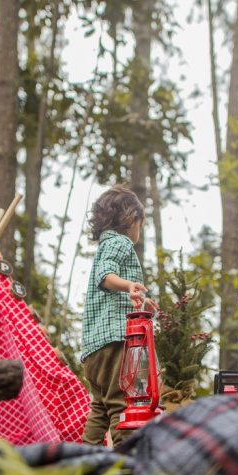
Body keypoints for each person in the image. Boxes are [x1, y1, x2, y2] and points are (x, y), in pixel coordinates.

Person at [80, 184, 154, 446]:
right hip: (114, 342)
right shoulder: (121, 243)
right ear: (131, 218)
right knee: (121, 405)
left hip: (93, 349)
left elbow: (110, 287)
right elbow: (106, 277)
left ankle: (80, 464)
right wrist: (129, 286)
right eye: (141, 224)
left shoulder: (104, 246)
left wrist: (141, 301)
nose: (139, 231)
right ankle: (125, 462)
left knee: (99, 409)